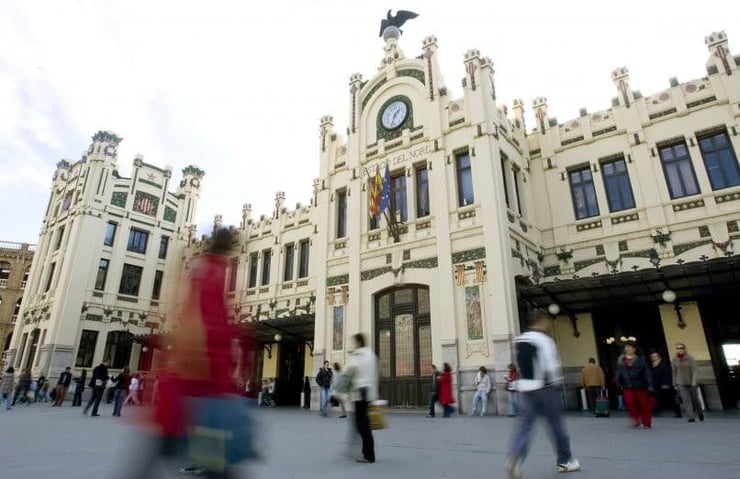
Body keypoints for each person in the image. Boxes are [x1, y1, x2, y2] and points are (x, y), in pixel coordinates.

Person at [121, 227, 256, 479]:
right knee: (193, 449)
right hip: (200, 380)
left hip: (199, 379)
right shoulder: (211, 272)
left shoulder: (206, 269)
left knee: (172, 448)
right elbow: (198, 323)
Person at [505, 309, 581, 478]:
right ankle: (565, 460)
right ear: (540, 321)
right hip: (545, 388)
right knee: (556, 425)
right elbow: (551, 366)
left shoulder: (520, 339)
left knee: (525, 426)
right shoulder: (545, 340)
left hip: (524, 388)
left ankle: (516, 455)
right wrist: (558, 382)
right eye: (546, 321)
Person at [345, 333, 379, 464]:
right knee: (364, 423)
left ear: (359, 342)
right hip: (369, 392)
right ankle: (368, 452)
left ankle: (369, 455)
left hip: (359, 392)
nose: (353, 345)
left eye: (354, 342)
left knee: (362, 424)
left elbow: (350, 374)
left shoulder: (357, 356)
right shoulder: (371, 355)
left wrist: (345, 391)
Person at [615, 341, 654, 429]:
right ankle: (636, 419)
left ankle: (646, 423)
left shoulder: (641, 359)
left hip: (640, 384)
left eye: (629, 347)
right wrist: (617, 381)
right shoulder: (620, 359)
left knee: (644, 404)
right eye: (626, 347)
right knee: (629, 402)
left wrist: (650, 384)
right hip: (627, 384)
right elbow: (618, 371)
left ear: (634, 349)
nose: (627, 349)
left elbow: (647, 372)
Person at [672, 343, 704, 422]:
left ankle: (700, 412)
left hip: (691, 381)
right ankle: (691, 417)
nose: (680, 349)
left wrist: (694, 380)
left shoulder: (690, 358)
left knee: (694, 399)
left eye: (681, 348)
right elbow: (674, 371)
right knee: (686, 400)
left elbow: (695, 370)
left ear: (685, 349)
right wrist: (674, 383)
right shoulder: (674, 359)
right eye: (678, 348)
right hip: (681, 382)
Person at [649, 350, 681, 417]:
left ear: (659, 357)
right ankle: (657, 409)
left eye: (655, 356)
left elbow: (667, 374)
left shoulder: (664, 364)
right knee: (658, 398)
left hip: (665, 384)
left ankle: (677, 412)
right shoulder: (652, 365)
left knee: (670, 398)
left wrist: (666, 383)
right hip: (656, 385)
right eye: (652, 356)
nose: (653, 358)